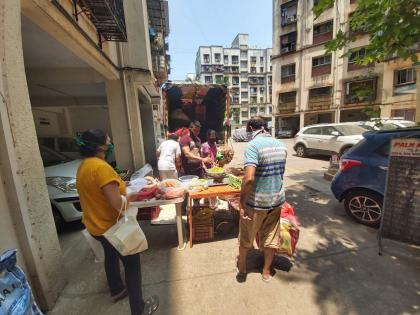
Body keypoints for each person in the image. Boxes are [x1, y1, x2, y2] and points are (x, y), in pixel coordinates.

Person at [75, 129, 159, 315]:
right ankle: (139, 308)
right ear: (101, 147)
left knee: (111, 257)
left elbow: (102, 191)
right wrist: (133, 195)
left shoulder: (84, 166)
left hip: (95, 227)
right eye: (108, 141)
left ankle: (117, 289)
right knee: (132, 265)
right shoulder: (101, 167)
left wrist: (124, 185)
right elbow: (117, 203)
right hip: (111, 226)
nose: (111, 143)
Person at [236, 117, 287, 283]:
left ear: (250, 128)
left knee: (245, 238)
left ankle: (242, 269)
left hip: (256, 203)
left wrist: (242, 203)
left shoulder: (253, 146)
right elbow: (279, 173)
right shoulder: (280, 145)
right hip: (276, 201)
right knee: (271, 238)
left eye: (247, 129)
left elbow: (249, 178)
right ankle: (266, 272)